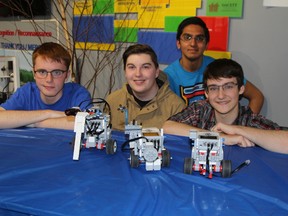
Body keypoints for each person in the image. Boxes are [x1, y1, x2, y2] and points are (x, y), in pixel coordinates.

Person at [163, 58, 288, 154]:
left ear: (241, 89)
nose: (221, 95)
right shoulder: (199, 111)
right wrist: (218, 137)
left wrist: (237, 130)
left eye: (228, 87)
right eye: (213, 88)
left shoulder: (251, 120)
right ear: (206, 93)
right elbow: (166, 127)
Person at [164, 16, 264, 114]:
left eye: (199, 38)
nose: (193, 43)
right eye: (187, 37)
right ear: (178, 43)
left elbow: (257, 96)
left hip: (218, 128)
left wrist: (243, 126)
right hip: (185, 128)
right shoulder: (168, 76)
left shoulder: (218, 68)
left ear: (206, 44)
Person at [0, 42, 92, 130]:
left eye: (56, 72)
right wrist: (48, 113)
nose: (49, 80)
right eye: (42, 72)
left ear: (67, 75)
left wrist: (33, 122)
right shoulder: (27, 92)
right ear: (34, 74)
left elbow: (88, 124)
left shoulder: (78, 94)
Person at [105, 44, 186, 131]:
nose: (138, 74)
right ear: (125, 72)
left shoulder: (176, 107)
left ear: (156, 72)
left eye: (145, 67)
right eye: (132, 67)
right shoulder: (112, 101)